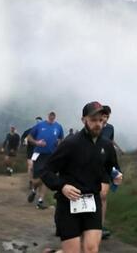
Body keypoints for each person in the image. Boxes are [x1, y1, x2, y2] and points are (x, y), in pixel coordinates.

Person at [41, 101, 123, 253]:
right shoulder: (70, 144)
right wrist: (62, 186)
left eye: (101, 120)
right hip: (69, 203)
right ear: (83, 120)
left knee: (91, 249)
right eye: (93, 120)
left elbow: (111, 167)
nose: (98, 124)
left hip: (92, 202)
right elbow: (46, 171)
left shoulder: (106, 145)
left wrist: (116, 176)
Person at [27, 111, 64, 209]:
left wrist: (58, 143)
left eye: (54, 115)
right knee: (37, 179)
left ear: (55, 116)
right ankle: (34, 190)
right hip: (39, 154)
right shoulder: (39, 126)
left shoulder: (58, 127)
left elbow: (61, 139)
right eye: (50, 114)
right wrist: (37, 142)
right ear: (47, 115)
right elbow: (29, 137)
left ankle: (40, 201)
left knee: (46, 178)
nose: (52, 116)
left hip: (51, 155)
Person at [97, 105, 122, 239]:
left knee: (103, 195)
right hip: (91, 165)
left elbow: (110, 142)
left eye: (108, 116)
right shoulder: (94, 126)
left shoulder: (110, 128)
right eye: (104, 115)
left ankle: (100, 225)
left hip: (105, 165)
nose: (105, 118)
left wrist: (116, 169)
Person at [22, 116, 42, 188]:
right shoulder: (29, 131)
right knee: (30, 167)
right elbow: (23, 137)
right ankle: (30, 181)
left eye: (39, 122)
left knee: (37, 168)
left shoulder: (44, 131)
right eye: (37, 121)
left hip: (40, 153)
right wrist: (24, 142)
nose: (38, 123)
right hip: (30, 151)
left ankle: (38, 182)